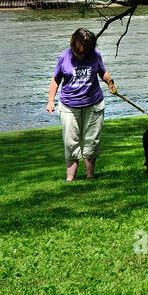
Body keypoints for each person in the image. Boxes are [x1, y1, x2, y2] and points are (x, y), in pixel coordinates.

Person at [46, 28, 116, 182]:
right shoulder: (64, 57)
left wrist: (110, 82)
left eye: (86, 51)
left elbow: (102, 72)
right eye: (80, 52)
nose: (83, 55)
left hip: (93, 104)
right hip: (69, 106)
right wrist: (50, 100)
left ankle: (90, 176)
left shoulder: (95, 55)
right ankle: (70, 179)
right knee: (71, 142)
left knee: (92, 140)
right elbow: (55, 79)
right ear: (74, 45)